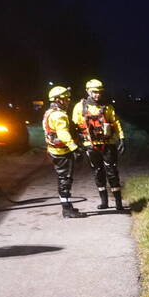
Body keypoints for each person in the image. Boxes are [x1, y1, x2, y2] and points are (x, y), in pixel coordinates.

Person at [72, 79, 125, 210]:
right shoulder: (80, 107)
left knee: (112, 172)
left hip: (108, 144)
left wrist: (122, 139)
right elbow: (75, 127)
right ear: (88, 91)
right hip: (90, 145)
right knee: (98, 172)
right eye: (94, 92)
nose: (97, 95)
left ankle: (118, 203)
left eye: (99, 92)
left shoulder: (107, 107)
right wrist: (75, 146)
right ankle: (104, 202)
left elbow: (116, 123)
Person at [43, 86, 86, 218]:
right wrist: (75, 148)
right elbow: (63, 134)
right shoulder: (59, 115)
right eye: (65, 98)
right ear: (58, 100)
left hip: (55, 150)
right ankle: (66, 209)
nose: (68, 100)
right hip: (61, 151)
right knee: (65, 179)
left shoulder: (50, 112)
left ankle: (67, 205)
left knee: (64, 178)